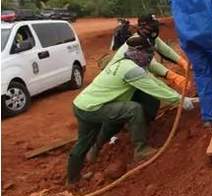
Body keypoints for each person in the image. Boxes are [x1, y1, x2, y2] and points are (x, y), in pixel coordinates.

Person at [67, 36, 196, 184]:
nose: (149, 59)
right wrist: (180, 100)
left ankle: (72, 179)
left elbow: (152, 81)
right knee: (133, 109)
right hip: (93, 108)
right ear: (139, 53)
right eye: (148, 55)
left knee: (84, 141)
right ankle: (140, 150)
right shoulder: (131, 70)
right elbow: (154, 88)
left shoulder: (123, 62)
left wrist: (179, 95)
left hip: (81, 104)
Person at [106, 14, 190, 93]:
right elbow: (151, 64)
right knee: (153, 88)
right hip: (119, 77)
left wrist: (183, 62)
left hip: (132, 74)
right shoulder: (136, 41)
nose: (155, 28)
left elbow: (166, 51)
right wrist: (173, 76)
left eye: (155, 25)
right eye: (151, 26)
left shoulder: (151, 38)